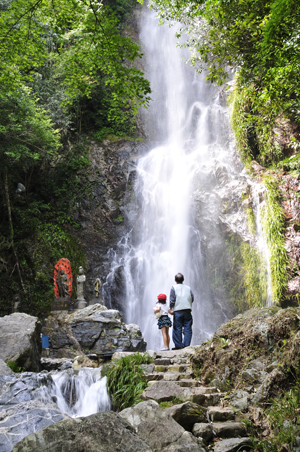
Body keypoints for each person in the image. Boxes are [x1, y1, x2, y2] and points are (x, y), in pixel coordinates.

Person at [168, 273, 194, 350]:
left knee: (177, 328)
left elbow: (172, 300)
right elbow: (192, 298)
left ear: (175, 280)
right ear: (183, 280)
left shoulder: (173, 288)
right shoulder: (188, 288)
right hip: (187, 310)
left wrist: (171, 308)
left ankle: (179, 345)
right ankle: (186, 345)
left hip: (178, 311)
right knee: (187, 328)